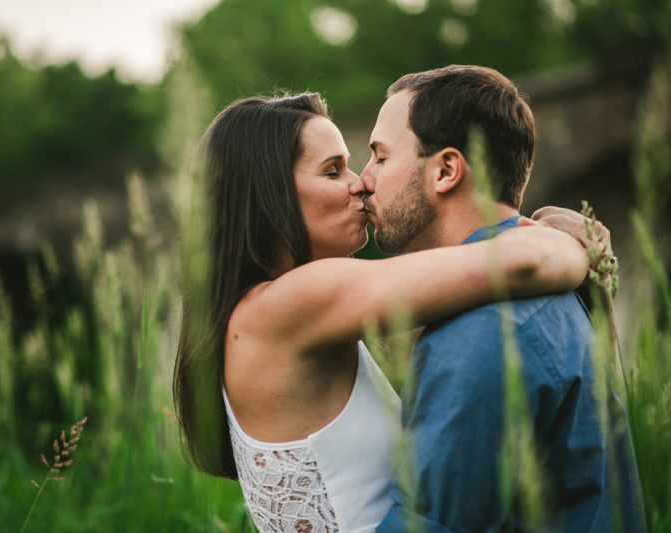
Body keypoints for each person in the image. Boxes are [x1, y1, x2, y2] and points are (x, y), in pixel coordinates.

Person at [173, 92, 596, 533]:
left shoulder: (272, 316)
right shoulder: (291, 304)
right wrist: (574, 241)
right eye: (333, 170)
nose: (359, 183)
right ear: (269, 193)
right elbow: (522, 264)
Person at [359, 65, 646, 533]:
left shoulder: (487, 327)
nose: (363, 179)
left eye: (380, 158)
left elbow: (428, 525)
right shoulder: (544, 290)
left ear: (446, 170)